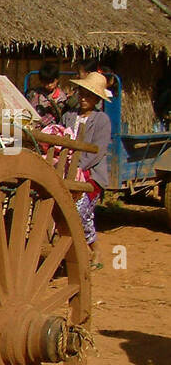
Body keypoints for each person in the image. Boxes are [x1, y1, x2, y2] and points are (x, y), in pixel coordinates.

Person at [62, 71, 113, 258]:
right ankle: (73, 253)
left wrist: (79, 166)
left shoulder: (102, 121)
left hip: (90, 174)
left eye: (89, 95)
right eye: (82, 93)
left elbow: (98, 150)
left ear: (97, 99)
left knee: (80, 214)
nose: (84, 98)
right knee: (64, 212)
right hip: (65, 170)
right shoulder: (68, 116)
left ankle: (93, 251)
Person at [26, 62, 66, 128]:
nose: (49, 85)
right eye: (45, 83)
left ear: (56, 80)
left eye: (51, 82)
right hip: (37, 123)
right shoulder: (38, 93)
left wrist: (54, 108)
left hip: (52, 125)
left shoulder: (61, 97)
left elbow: (61, 114)